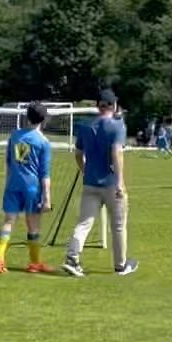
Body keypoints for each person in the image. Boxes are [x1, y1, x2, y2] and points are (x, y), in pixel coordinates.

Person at [62, 88, 138, 278]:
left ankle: (72, 258)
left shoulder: (85, 127)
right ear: (113, 106)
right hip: (111, 183)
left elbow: (78, 155)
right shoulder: (117, 126)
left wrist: (85, 171)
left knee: (84, 223)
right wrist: (120, 182)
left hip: (90, 182)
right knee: (118, 226)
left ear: (98, 106)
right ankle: (120, 265)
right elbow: (117, 153)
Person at [0, 103, 52, 274]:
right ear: (44, 119)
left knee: (8, 221)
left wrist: (9, 181)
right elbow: (44, 174)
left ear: (27, 116)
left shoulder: (14, 136)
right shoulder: (44, 142)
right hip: (32, 187)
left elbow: (8, 162)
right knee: (33, 225)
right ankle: (34, 263)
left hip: (13, 184)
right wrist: (47, 197)